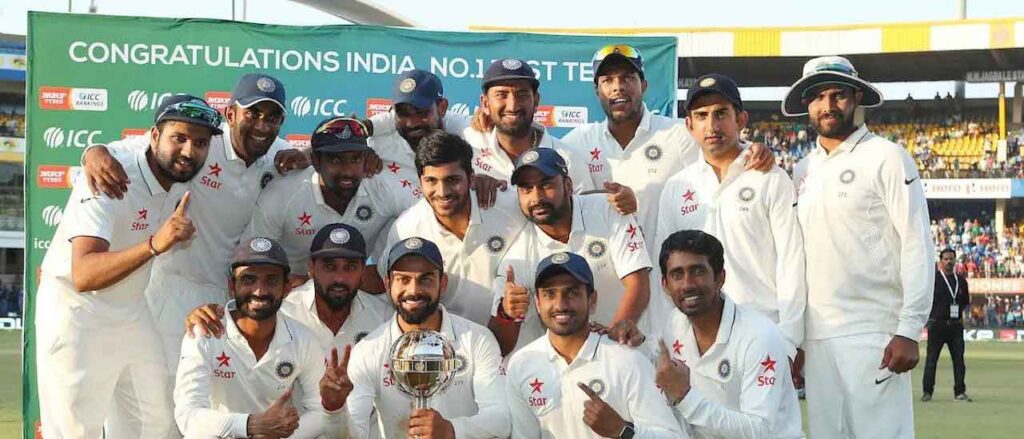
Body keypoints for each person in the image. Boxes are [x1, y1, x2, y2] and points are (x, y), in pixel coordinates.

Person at [80, 73, 312, 380]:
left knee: (214, 401)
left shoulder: (276, 151)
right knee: (167, 399)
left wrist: (307, 154)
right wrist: (93, 152)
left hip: (225, 296)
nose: (262, 125)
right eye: (252, 113)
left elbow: (322, 150)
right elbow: (136, 150)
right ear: (231, 114)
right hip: (172, 288)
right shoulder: (204, 141)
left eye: (273, 117)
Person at [35, 95, 219, 438]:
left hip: (132, 312)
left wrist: (302, 155)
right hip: (78, 312)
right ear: (154, 135)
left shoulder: (172, 164)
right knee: (75, 431)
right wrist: (154, 245)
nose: (189, 151)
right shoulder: (111, 174)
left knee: (157, 423)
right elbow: (84, 274)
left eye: (200, 143)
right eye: (179, 138)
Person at [784, 55, 934, 438]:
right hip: (818, 337)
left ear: (856, 98)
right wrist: (797, 338)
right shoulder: (802, 170)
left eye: (838, 96)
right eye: (818, 97)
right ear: (807, 105)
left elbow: (917, 243)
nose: (828, 106)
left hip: (874, 331)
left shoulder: (887, 157)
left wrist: (909, 328)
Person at [657, 74, 806, 381]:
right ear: (689, 126)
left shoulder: (769, 177)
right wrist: (668, 338)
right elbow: (666, 275)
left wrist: (790, 341)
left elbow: (792, 262)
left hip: (762, 329)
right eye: (701, 116)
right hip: (696, 338)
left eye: (721, 114)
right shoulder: (677, 187)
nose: (712, 126)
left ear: (741, 118)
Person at [561, 44, 774, 258]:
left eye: (627, 78)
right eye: (607, 80)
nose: (618, 87)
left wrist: (754, 150)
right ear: (596, 90)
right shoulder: (578, 142)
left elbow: (723, 150)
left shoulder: (678, 133)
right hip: (605, 276)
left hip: (668, 278)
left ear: (643, 85)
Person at [184, 223, 393, 438]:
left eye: (349, 267)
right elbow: (187, 415)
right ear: (311, 268)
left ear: (363, 271)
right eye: (329, 266)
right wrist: (254, 426)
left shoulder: (384, 318)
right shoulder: (283, 311)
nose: (339, 278)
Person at [490, 148, 651, 356]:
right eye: (526, 189)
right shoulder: (516, 258)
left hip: (628, 353)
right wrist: (507, 313)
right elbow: (501, 347)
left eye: (546, 184)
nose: (536, 197)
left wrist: (614, 334)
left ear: (567, 185)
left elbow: (638, 282)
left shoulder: (606, 209)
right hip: (565, 369)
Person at [505, 251, 684, 438]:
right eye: (550, 294)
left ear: (592, 301)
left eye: (572, 292)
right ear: (538, 303)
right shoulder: (521, 364)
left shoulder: (627, 360)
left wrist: (623, 431)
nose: (560, 304)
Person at [346, 237, 510, 438]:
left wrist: (452, 430)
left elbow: (501, 418)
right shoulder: (368, 350)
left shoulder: (477, 339)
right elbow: (355, 430)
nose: (414, 291)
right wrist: (335, 410)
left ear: (443, 283)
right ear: (388, 284)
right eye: (403, 279)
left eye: (425, 279)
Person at [174, 237, 333, 438]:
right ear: (232, 285)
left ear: (286, 287)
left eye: (271, 280)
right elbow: (187, 415)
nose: (260, 291)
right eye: (248, 279)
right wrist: (250, 425)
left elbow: (321, 411)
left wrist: (279, 436)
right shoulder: (205, 333)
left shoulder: (303, 339)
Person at [649, 230, 803, 438]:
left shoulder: (759, 335)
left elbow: (759, 431)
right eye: (677, 275)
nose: (687, 284)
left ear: (720, 277)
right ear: (665, 285)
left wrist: (685, 397)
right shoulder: (672, 326)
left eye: (698, 271)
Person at [242, 117, 417, 288]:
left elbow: (428, 217)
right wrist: (298, 286)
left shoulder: (383, 187)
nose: (347, 170)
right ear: (316, 162)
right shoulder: (283, 194)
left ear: (366, 159)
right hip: (289, 295)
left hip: (353, 292)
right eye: (336, 160)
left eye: (355, 159)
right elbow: (250, 260)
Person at [375, 131, 526, 325]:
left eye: (452, 180)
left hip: (518, 347)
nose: (442, 192)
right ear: (420, 182)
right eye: (431, 181)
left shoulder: (511, 207)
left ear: (471, 178)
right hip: (450, 349)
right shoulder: (406, 229)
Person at [367, 69, 506, 207]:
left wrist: (492, 182)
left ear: (442, 108)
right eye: (403, 113)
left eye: (421, 112)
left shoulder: (469, 133)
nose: (412, 122)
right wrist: (361, 151)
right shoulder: (378, 146)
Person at [465, 58, 602, 197]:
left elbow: (585, 215)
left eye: (522, 94)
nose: (512, 105)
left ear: (536, 101)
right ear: (485, 103)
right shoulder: (467, 151)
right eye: (501, 95)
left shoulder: (568, 159)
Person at [921, 248, 972, 402]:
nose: (949, 262)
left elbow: (965, 302)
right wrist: (930, 318)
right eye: (946, 259)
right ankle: (927, 392)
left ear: (955, 261)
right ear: (940, 261)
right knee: (931, 360)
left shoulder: (961, 281)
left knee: (958, 361)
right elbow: (926, 300)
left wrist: (960, 315)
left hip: (955, 326)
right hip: (937, 326)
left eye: (952, 259)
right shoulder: (933, 280)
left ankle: (959, 392)